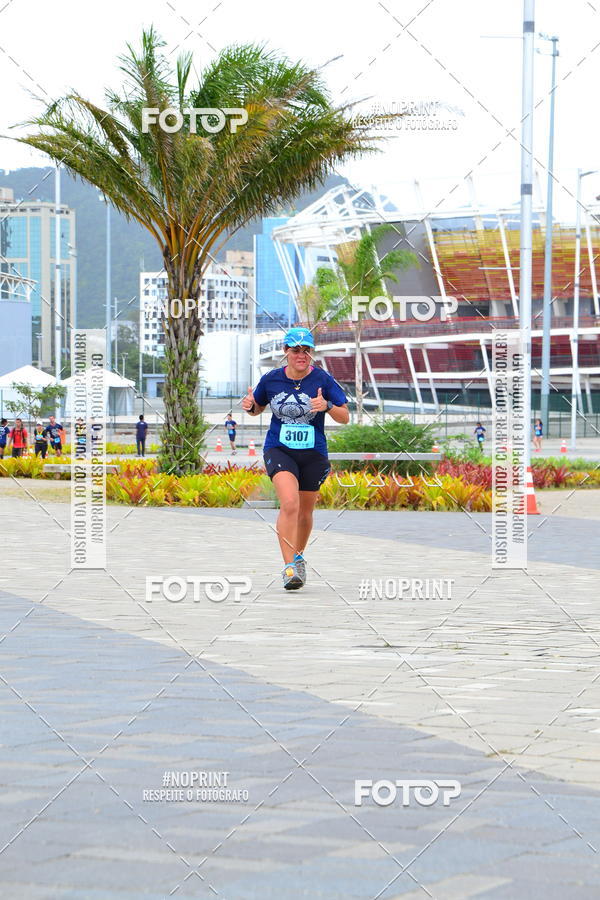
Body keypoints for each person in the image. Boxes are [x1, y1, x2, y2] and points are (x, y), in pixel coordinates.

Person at [242, 327, 349, 590]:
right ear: (285, 352)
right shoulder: (271, 379)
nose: (301, 355)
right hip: (280, 449)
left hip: (313, 454)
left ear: (311, 353)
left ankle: (298, 557)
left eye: (306, 350)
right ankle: (289, 567)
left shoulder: (323, 380)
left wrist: (328, 406)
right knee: (289, 503)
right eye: (295, 350)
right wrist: (250, 406)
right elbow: (257, 407)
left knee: (305, 511)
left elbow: (345, 417)